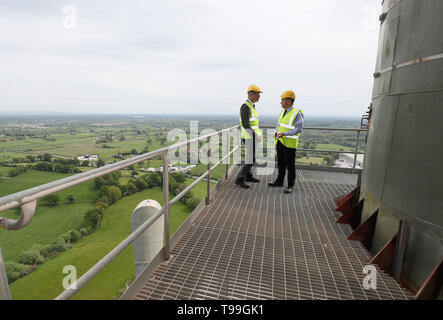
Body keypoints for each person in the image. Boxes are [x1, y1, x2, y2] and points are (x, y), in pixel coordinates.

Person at [268, 90, 304, 193]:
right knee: (281, 163)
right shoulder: (283, 112)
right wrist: (276, 132)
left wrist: (285, 134)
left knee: (290, 165)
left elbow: (298, 129)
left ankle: (290, 185)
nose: (280, 102)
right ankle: (279, 181)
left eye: (282, 100)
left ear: (288, 101)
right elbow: (279, 125)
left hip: (289, 143)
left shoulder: (297, 112)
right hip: (280, 141)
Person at [235, 84, 263, 189]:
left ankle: (248, 176)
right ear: (251, 94)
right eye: (257, 94)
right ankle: (239, 179)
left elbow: (253, 123)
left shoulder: (252, 106)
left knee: (250, 157)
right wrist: (255, 135)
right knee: (251, 158)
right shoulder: (245, 107)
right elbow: (246, 124)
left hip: (252, 136)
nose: (259, 96)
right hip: (248, 136)